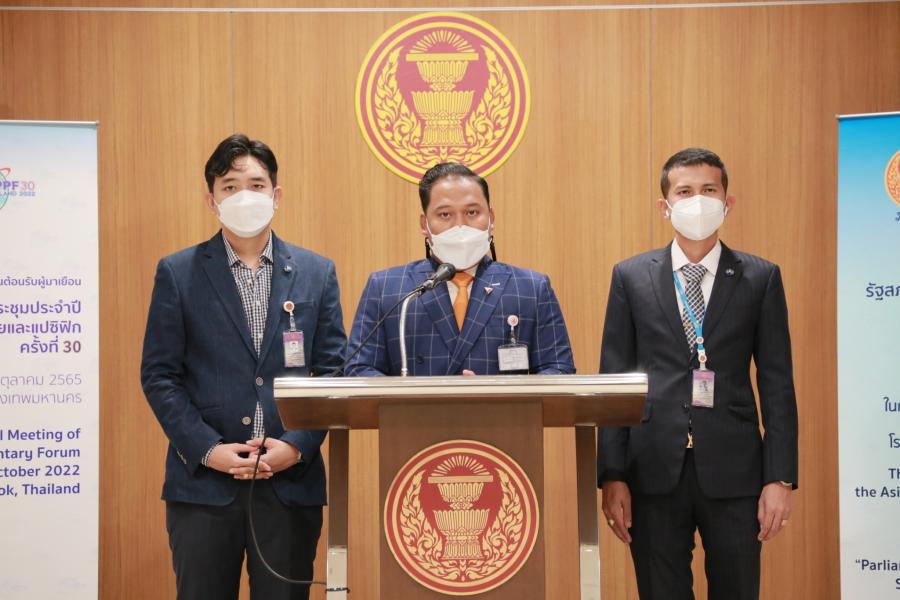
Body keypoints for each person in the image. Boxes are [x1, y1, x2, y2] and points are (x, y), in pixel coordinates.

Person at [140, 133, 346, 600]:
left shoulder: (316, 272)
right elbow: (159, 375)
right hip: (204, 487)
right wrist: (208, 449)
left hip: (289, 485)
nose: (244, 197)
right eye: (230, 187)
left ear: (276, 195)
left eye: (256, 185)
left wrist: (296, 447)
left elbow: (333, 372)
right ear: (212, 201)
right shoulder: (178, 272)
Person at [597, 148, 798, 600]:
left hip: (736, 471)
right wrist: (612, 474)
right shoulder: (631, 277)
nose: (698, 200)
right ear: (664, 206)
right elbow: (614, 380)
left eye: (709, 190)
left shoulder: (760, 278)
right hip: (652, 470)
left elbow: (777, 384)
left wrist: (780, 478)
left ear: (728, 202)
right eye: (684, 192)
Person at [345, 162, 574, 377]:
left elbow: (559, 370)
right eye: (445, 215)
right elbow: (359, 370)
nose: (460, 226)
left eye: (472, 212)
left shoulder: (532, 289)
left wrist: (500, 395)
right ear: (424, 224)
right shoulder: (387, 288)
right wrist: (415, 397)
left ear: (491, 218)